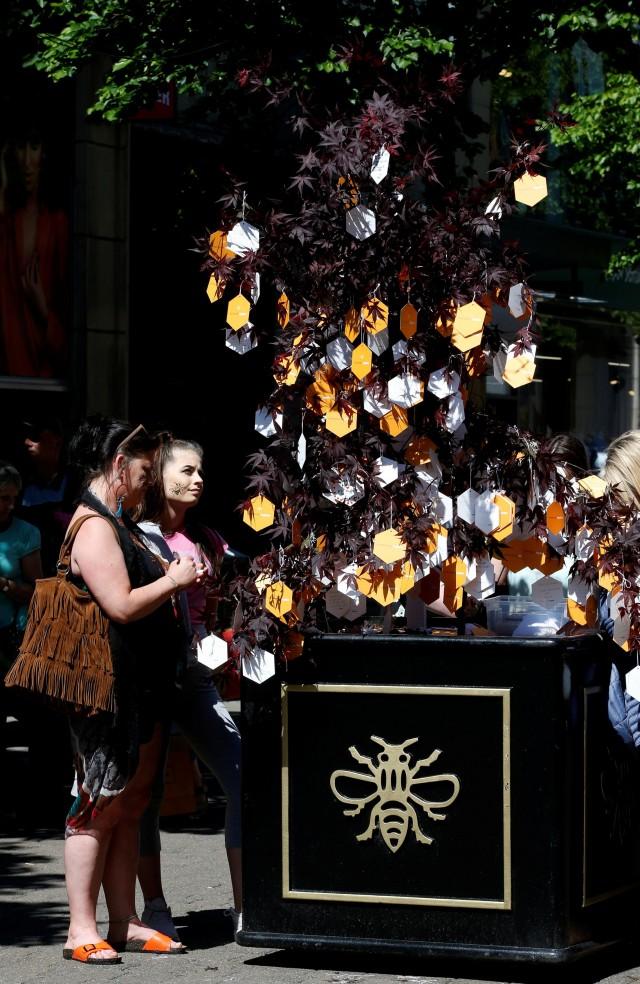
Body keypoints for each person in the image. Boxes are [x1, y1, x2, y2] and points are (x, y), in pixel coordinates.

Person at [60, 418, 200, 965]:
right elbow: (119, 604)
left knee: (127, 804)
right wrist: (173, 580)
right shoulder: (94, 526)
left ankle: (125, 921)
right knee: (95, 805)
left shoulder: (117, 522)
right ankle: (80, 928)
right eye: (144, 470)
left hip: (137, 687)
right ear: (119, 465)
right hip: (104, 691)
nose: (149, 482)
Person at [137, 436, 242, 941]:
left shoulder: (207, 536)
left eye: (201, 471)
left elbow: (221, 604)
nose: (198, 479)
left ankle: (247, 907)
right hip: (151, 678)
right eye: (187, 470)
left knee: (243, 776)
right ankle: (154, 907)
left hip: (197, 678)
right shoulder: (135, 535)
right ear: (159, 475)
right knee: (145, 795)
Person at [0, 117, 69, 378]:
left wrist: (41, 307)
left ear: (45, 154)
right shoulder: (8, 224)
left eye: (34, 147)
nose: (27, 161)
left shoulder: (57, 225)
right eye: (20, 148)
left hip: (44, 370)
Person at [0, 460, 43, 826]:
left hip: (14, 641)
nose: (7, 506)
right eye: (1, 498)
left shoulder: (25, 533)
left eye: (12, 498)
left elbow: (39, 593)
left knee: (35, 724)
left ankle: (35, 802)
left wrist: (6, 586)